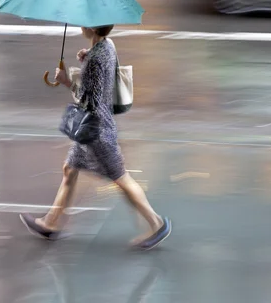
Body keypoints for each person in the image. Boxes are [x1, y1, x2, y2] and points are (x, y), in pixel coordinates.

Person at [20, 25, 171, 250]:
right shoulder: (107, 46)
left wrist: (66, 80)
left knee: (121, 177)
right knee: (69, 170)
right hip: (92, 128)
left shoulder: (96, 58)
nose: (81, 26)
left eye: (83, 23)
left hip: (96, 130)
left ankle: (157, 223)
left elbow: (90, 98)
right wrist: (87, 58)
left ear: (91, 27)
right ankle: (50, 223)